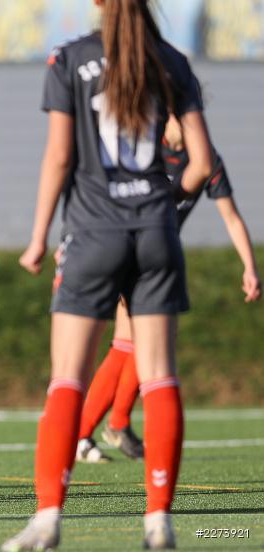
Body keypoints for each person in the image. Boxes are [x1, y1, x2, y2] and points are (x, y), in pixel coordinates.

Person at [2, 0, 215, 549]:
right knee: (161, 376)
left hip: (92, 234)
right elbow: (200, 164)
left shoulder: (69, 59)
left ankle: (47, 519)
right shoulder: (172, 61)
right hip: (155, 231)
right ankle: (158, 522)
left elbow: (60, 158)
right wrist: (157, 205)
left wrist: (39, 236)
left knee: (67, 379)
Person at [76, 115, 261, 464]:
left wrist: (250, 267)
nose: (191, 120)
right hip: (125, 247)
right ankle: (86, 431)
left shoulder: (204, 156)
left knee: (141, 342)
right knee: (132, 342)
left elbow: (231, 216)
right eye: (183, 111)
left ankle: (109, 426)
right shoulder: (143, 149)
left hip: (157, 255)